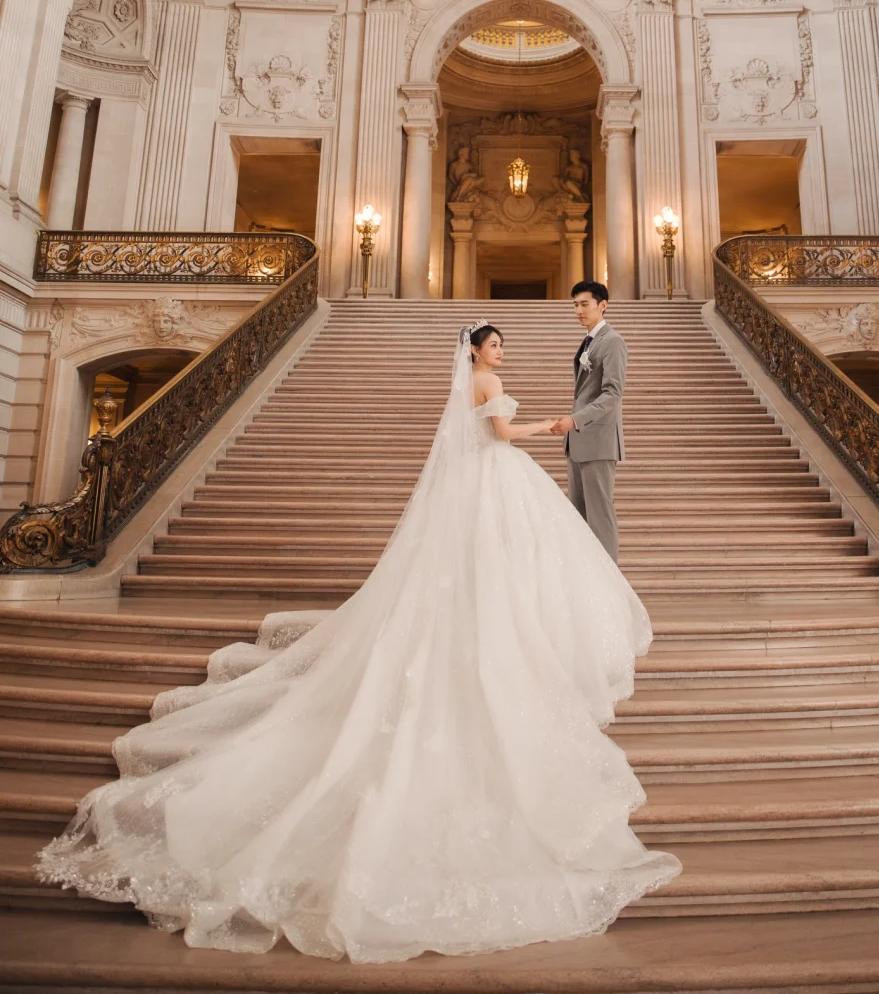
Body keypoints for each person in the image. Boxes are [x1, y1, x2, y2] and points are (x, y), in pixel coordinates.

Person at [36, 321, 680, 963]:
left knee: (483, 568)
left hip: (480, 488)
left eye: (502, 344)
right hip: (498, 478)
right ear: (478, 351)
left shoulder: (473, 380)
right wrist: (548, 428)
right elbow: (500, 436)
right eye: (496, 343)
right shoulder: (488, 381)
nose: (502, 350)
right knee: (507, 562)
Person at [550, 280, 625, 563]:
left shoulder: (613, 341)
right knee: (579, 517)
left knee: (600, 516)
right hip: (579, 442)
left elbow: (612, 394)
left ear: (602, 305)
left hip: (598, 440)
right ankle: (588, 585)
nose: (578, 310)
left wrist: (575, 420)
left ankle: (611, 589)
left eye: (584, 304)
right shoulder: (588, 340)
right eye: (575, 305)